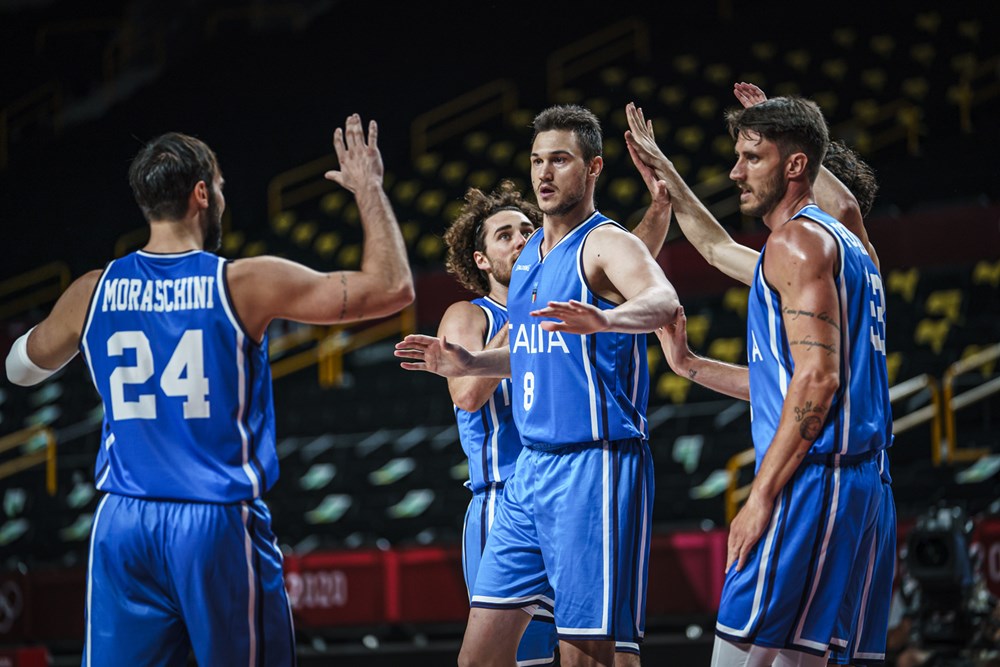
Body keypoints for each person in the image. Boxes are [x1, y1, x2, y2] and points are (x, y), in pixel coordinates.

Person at [5, 115, 414, 666]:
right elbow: (391, 289)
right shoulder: (242, 282)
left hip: (122, 522)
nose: (221, 195)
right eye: (219, 186)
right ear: (201, 194)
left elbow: (19, 369)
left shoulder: (93, 291)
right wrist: (368, 188)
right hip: (212, 519)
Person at [396, 104, 680, 667]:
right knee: (478, 657)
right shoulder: (528, 262)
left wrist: (607, 319)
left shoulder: (604, 242)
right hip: (528, 477)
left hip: (591, 466)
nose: (544, 174)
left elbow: (662, 299)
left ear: (593, 168)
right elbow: (526, 354)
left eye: (560, 160)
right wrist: (468, 363)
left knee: (587, 655)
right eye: (537, 161)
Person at [627, 84, 897, 666]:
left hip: (814, 482)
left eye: (753, 156)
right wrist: (691, 365)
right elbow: (719, 249)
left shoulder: (798, 242)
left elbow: (816, 383)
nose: (735, 172)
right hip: (864, 488)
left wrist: (760, 495)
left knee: (738, 655)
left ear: (799, 165)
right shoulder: (860, 260)